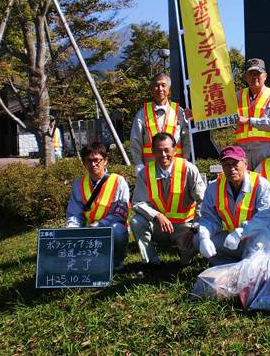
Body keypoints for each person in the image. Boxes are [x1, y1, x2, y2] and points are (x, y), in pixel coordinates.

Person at [130, 132, 205, 273]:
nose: (163, 155)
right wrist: (157, 216)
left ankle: (183, 255)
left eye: (166, 150)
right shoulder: (145, 172)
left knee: (190, 250)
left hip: (184, 226)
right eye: (158, 151)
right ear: (152, 152)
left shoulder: (189, 169)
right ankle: (151, 261)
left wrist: (194, 229)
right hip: (158, 225)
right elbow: (137, 202)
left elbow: (203, 200)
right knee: (136, 221)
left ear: (175, 150)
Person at [198, 146, 270, 266]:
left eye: (235, 163)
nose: (231, 168)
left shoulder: (261, 185)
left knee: (257, 269)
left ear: (245, 163)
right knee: (198, 239)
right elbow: (208, 217)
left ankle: (250, 267)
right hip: (232, 240)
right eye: (226, 164)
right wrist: (204, 237)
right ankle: (230, 267)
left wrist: (240, 233)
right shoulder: (214, 187)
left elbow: (266, 217)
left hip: (259, 241)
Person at [65, 142, 130, 272]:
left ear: (105, 161)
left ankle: (117, 262)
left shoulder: (119, 181)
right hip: (87, 229)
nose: (93, 164)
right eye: (88, 161)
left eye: (96, 160)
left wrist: (101, 224)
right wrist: (71, 227)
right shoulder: (79, 184)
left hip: (110, 227)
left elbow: (121, 214)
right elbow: (74, 213)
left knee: (119, 230)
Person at [130, 73, 191, 169]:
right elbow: (135, 142)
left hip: (176, 168)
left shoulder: (178, 112)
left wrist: (186, 161)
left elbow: (187, 139)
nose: (160, 89)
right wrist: (138, 164)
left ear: (169, 89)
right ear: (151, 89)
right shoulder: (142, 114)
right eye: (156, 86)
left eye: (163, 85)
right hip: (150, 168)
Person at [234, 58, 270, 171]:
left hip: (264, 149)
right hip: (242, 150)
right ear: (246, 76)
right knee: (245, 185)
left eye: (258, 73)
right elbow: (220, 113)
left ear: (265, 76)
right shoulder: (237, 96)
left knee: (265, 183)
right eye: (251, 73)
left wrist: (249, 121)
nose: (254, 77)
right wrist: (197, 114)